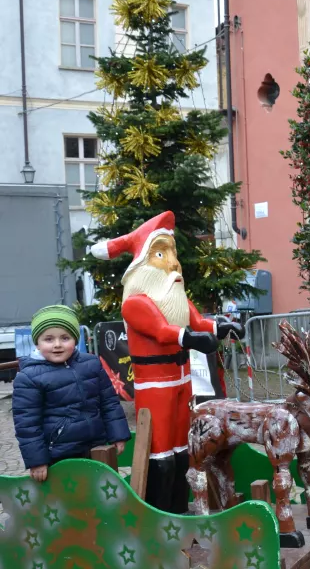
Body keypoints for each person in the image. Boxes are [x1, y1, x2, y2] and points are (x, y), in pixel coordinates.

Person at [90, 211, 244, 513]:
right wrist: (193, 340)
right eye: (162, 253)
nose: (173, 263)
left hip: (182, 380)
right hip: (156, 384)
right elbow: (163, 331)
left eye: (173, 253)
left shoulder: (173, 295)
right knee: (161, 452)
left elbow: (197, 321)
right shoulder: (136, 302)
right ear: (143, 264)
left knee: (183, 447)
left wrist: (222, 327)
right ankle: (160, 511)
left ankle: (181, 507)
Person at [13, 305, 131, 482]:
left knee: (99, 491)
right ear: (37, 342)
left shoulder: (92, 364)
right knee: (68, 498)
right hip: (59, 453)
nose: (57, 345)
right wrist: (37, 461)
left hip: (97, 447)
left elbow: (109, 402)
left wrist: (118, 435)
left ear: (75, 340)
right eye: (49, 339)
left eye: (65, 338)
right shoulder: (29, 377)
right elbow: (27, 424)